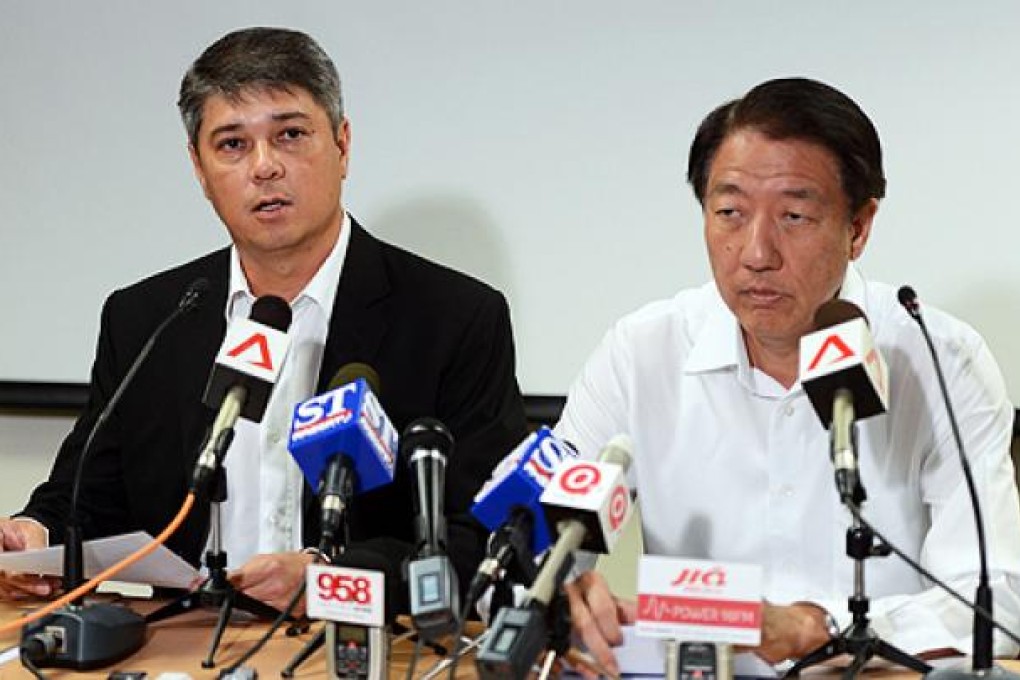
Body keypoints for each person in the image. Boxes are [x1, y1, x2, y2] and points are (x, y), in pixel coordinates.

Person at [0, 27, 528, 611]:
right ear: (199, 170)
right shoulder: (149, 318)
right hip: (184, 647)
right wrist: (33, 536)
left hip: (356, 648)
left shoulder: (453, 317)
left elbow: (485, 536)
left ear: (343, 145)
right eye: (231, 144)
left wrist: (330, 579)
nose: (265, 167)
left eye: (291, 135)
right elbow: (86, 499)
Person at [555, 77, 1020, 673]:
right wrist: (561, 596)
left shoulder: (941, 359)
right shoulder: (640, 353)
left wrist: (816, 629)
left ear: (859, 227)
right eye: (730, 213)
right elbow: (536, 555)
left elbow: (991, 599)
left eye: (794, 216)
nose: (756, 252)